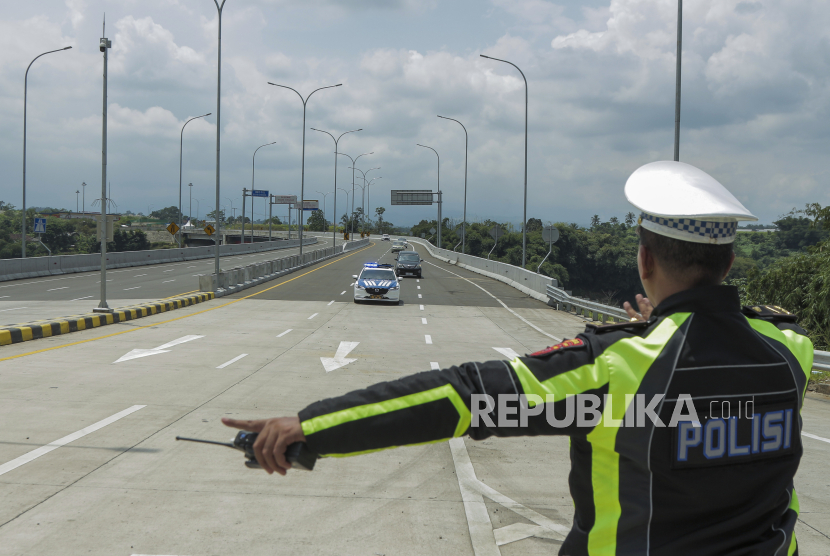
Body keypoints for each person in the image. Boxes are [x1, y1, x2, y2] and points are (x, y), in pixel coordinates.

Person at [224, 161, 813, 555]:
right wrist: (665, 329)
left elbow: (464, 397)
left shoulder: (615, 370)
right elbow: (710, 389)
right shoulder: (791, 354)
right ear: (729, 263)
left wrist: (313, 426)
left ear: (645, 261)